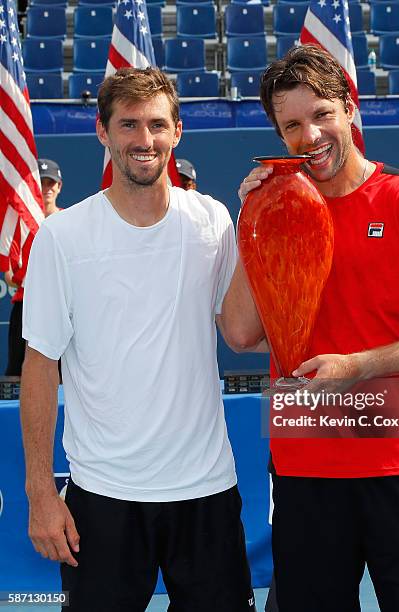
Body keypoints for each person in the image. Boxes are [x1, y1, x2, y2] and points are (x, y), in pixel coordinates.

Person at [222, 45, 399, 612]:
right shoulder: (274, 213)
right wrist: (254, 223)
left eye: (321, 114)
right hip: (306, 467)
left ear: (349, 108)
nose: (309, 135)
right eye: (291, 125)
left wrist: (360, 364)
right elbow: (241, 334)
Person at [20, 67, 255, 612]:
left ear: (177, 132)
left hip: (206, 489)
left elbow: (243, 334)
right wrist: (39, 493)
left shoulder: (215, 221)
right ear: (103, 133)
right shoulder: (62, 236)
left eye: (155, 125)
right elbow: (40, 366)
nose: (143, 140)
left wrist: (259, 222)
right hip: (103, 497)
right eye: (128, 125)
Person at [4, 158, 62, 376]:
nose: (46, 189)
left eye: (51, 183)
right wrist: (33, 279)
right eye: (42, 183)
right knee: (18, 371)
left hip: (62, 305)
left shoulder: (70, 221)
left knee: (63, 369)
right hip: (25, 306)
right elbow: (9, 275)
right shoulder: (20, 225)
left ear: (59, 187)